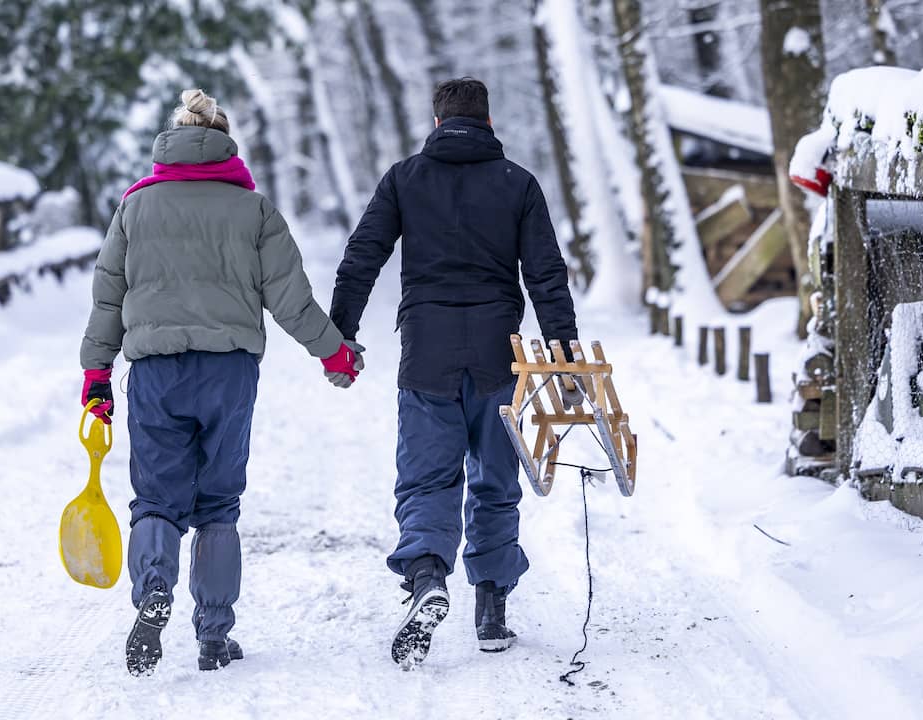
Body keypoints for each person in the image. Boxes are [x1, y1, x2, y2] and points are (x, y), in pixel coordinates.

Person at [80, 89, 364, 677]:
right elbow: (291, 299)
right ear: (225, 143)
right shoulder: (253, 210)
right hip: (228, 372)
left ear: (173, 140)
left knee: (156, 497)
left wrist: (96, 372)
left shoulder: (136, 207)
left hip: (156, 370)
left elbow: (109, 294)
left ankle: (153, 591)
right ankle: (213, 634)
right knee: (218, 502)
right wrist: (333, 353)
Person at [330, 77, 580, 668]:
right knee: (495, 478)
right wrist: (563, 352)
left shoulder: (404, 178)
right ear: (488, 122)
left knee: (427, 478)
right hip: (500, 352)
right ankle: (491, 611)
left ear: (437, 121)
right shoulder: (518, 182)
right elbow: (547, 274)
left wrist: (341, 334)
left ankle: (426, 578)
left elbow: (362, 257)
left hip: (427, 353)